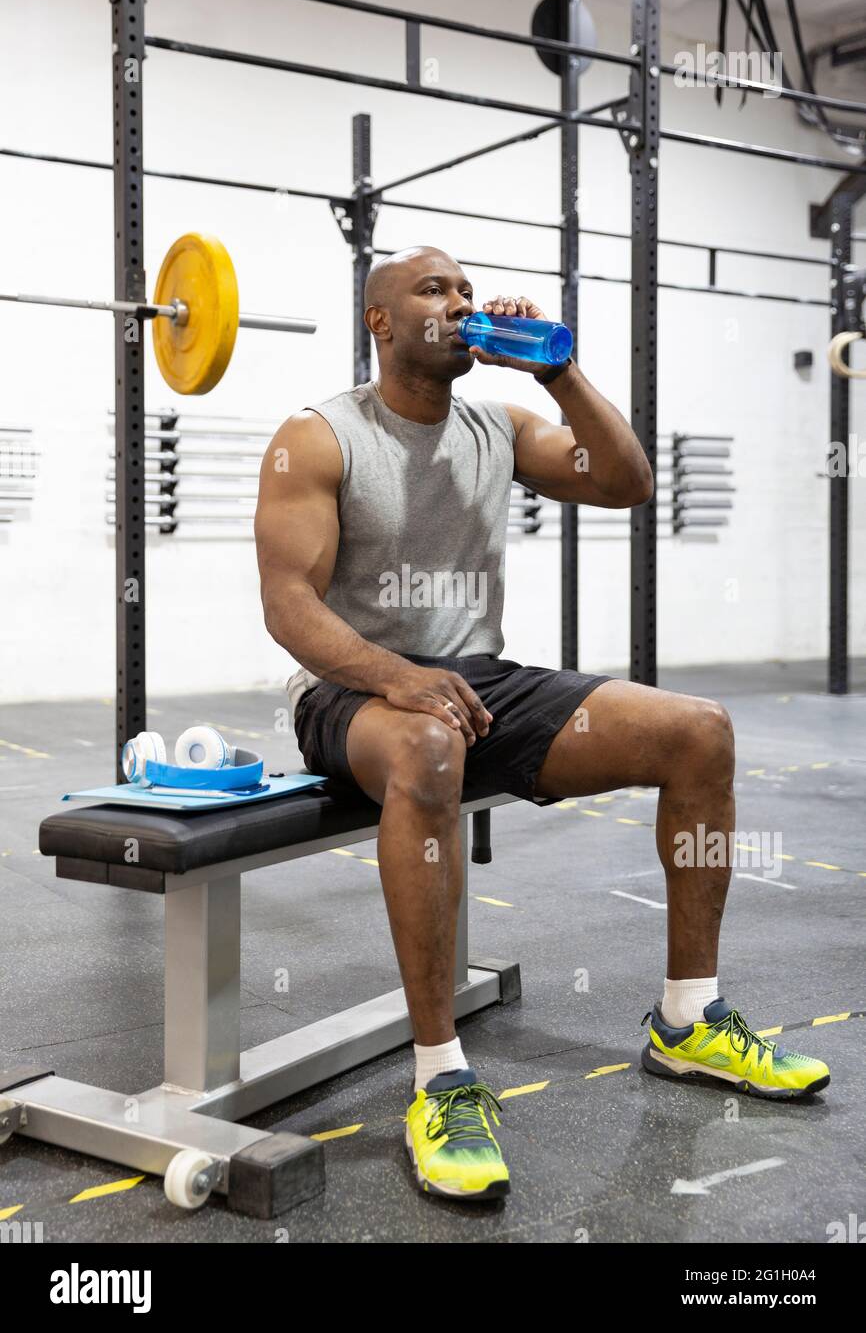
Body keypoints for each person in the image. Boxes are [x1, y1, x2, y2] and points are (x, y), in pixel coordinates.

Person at [254, 245, 830, 1204]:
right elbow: (289, 608)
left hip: (478, 680)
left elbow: (626, 481)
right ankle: (441, 1077)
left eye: (467, 290)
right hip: (348, 692)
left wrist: (558, 370)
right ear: (382, 323)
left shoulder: (501, 424)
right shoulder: (318, 438)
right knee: (432, 743)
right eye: (433, 291)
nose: (460, 303)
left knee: (700, 730)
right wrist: (402, 678)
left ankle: (689, 1022)